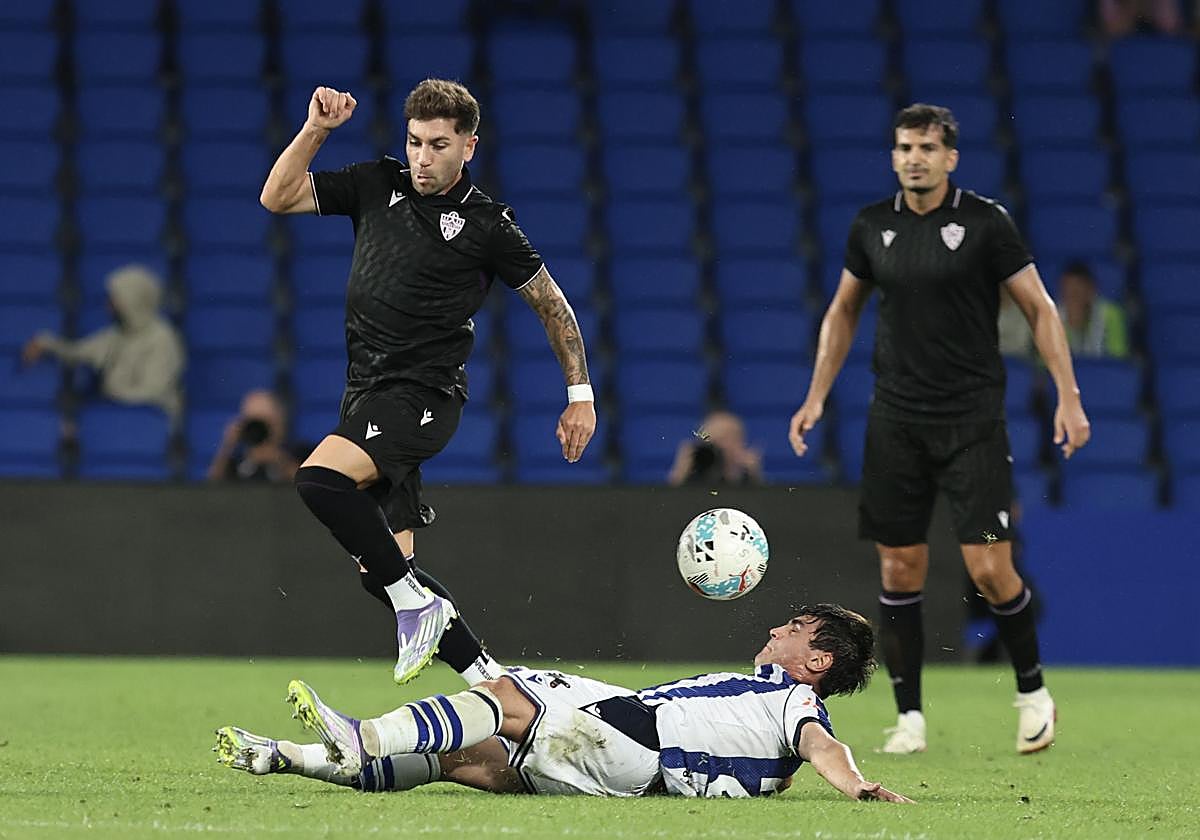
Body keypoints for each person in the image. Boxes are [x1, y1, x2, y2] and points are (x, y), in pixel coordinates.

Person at [258, 80, 596, 688]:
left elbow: (553, 306)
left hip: (421, 397)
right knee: (386, 567)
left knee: (319, 480)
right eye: (414, 142)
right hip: (365, 390)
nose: (422, 156)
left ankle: (419, 608)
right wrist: (317, 131)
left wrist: (580, 396)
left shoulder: (489, 224)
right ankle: (494, 680)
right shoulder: (375, 184)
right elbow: (277, 198)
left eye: (438, 144)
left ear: (469, 145)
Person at [788, 104, 1092, 755]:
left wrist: (1069, 396)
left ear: (951, 156)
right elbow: (844, 310)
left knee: (989, 569)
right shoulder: (872, 226)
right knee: (899, 568)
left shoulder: (985, 223)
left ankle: (1034, 695)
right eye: (903, 147)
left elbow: (1039, 308)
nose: (914, 158)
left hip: (971, 421)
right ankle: (910, 720)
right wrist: (816, 394)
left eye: (927, 147)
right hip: (895, 420)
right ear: (893, 155)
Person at [214, 603, 911, 803]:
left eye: (791, 631)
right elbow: (788, 765)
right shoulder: (771, 733)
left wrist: (857, 786)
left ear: (816, 662)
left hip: (642, 736)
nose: (773, 630)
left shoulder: (791, 700)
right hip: (637, 774)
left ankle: (362, 735)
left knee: (507, 695)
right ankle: (287, 757)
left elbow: (824, 744)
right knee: (469, 759)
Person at [21, 263, 185, 422]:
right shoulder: (114, 335)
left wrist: (111, 390)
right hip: (114, 420)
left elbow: (152, 392)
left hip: (153, 424)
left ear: (132, 300)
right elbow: (77, 353)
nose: (108, 306)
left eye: (114, 300)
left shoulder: (163, 338)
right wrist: (45, 343)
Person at [206, 389, 310, 483]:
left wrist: (280, 459)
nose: (259, 429)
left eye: (265, 421)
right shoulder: (235, 461)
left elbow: (308, 488)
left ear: (279, 421)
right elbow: (212, 491)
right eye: (254, 422)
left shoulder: (300, 453)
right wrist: (227, 446)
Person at [667, 410, 763, 486]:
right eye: (713, 440)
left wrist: (753, 474)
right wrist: (681, 470)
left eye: (725, 438)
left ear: (740, 442)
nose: (719, 446)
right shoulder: (694, 471)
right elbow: (670, 501)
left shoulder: (745, 475)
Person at [1056, 261, 1130, 359]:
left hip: (1103, 372)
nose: (1073, 299)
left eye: (1077, 293)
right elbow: (1044, 364)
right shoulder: (1052, 317)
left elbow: (1118, 359)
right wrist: (1073, 327)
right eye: (1068, 293)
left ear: (1091, 290)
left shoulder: (1111, 314)